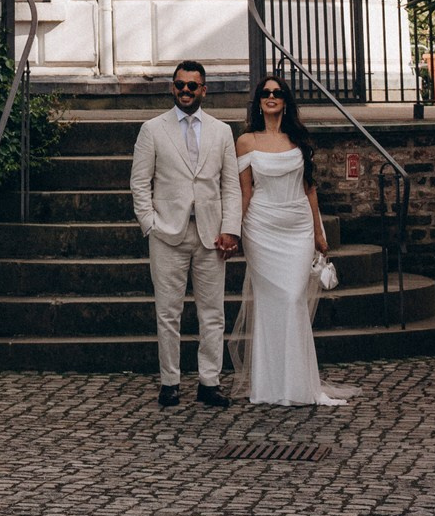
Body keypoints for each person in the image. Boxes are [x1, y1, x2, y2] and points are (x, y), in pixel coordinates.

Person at [230, 73, 352, 407]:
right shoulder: (246, 142)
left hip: (297, 226)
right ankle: (270, 385)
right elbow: (245, 191)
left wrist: (318, 232)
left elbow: (309, 189)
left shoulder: (298, 139)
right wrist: (234, 230)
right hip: (261, 227)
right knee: (272, 301)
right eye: (266, 93)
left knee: (294, 297)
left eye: (278, 93)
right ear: (259, 102)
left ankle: (298, 384)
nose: (271, 97)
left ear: (285, 101)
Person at [130, 60, 243, 409]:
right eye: (180, 85)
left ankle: (210, 382)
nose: (185, 91)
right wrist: (150, 224)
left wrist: (230, 229)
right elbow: (139, 183)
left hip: (211, 235)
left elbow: (231, 186)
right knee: (168, 312)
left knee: (213, 313)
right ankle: (170, 382)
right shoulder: (152, 129)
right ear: (172, 87)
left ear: (203, 90)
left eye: (192, 86)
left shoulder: (221, 131)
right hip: (167, 233)